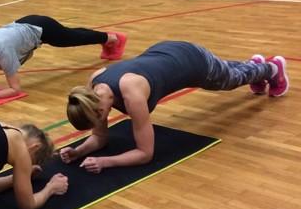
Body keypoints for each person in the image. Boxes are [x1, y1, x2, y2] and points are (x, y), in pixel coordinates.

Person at [61, 41, 289, 173]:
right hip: (166, 52)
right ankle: (253, 66)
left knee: (229, 81)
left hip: (192, 61)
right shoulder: (93, 87)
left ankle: (273, 69)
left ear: (99, 111)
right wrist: (78, 151)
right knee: (225, 71)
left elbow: (145, 154)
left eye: (98, 120)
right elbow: (99, 138)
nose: (99, 124)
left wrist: (105, 162)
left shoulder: (132, 95)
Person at [0, 15, 127, 101]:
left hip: (41, 28)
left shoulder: (3, 52)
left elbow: (16, 90)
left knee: (73, 38)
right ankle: (107, 39)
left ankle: (112, 38)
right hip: (26, 22)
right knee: (71, 34)